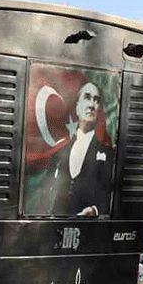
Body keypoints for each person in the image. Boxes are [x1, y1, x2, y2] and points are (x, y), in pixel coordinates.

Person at [47, 81, 116, 217]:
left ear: (99, 110)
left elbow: (112, 195)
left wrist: (95, 210)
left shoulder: (108, 154)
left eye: (96, 100)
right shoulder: (60, 153)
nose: (91, 105)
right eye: (87, 98)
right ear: (78, 108)